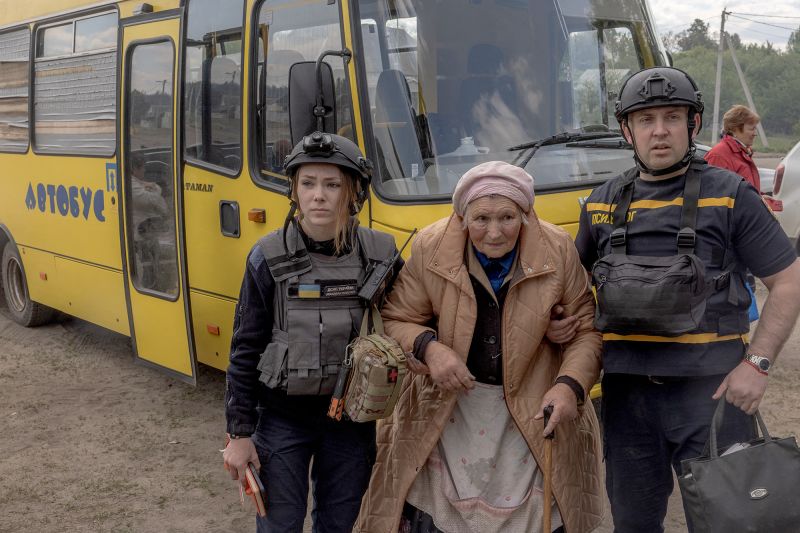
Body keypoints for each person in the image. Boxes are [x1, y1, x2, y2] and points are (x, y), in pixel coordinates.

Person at [574, 67, 800, 532]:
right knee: (634, 526)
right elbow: (573, 294)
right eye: (646, 119)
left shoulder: (731, 194)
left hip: (714, 398)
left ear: (693, 124)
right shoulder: (600, 202)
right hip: (626, 400)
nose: (660, 131)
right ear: (626, 129)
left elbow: (789, 280)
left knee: (728, 523)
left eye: (672, 117)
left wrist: (757, 364)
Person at [355, 161, 604, 533]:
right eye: (481, 219)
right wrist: (430, 348)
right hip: (449, 406)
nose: (494, 233)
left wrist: (569, 385)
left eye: (507, 217)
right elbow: (395, 318)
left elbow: (586, 330)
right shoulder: (432, 246)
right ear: (462, 216)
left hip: (533, 404)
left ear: (525, 214)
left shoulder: (557, 249)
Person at [223, 132, 400, 533]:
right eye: (308, 183)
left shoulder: (381, 255)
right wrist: (239, 433)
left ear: (352, 192)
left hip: (352, 424)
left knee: (339, 526)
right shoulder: (266, 257)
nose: (318, 195)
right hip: (281, 421)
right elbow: (244, 349)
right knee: (280, 525)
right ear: (295, 191)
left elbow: (413, 316)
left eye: (332, 184)